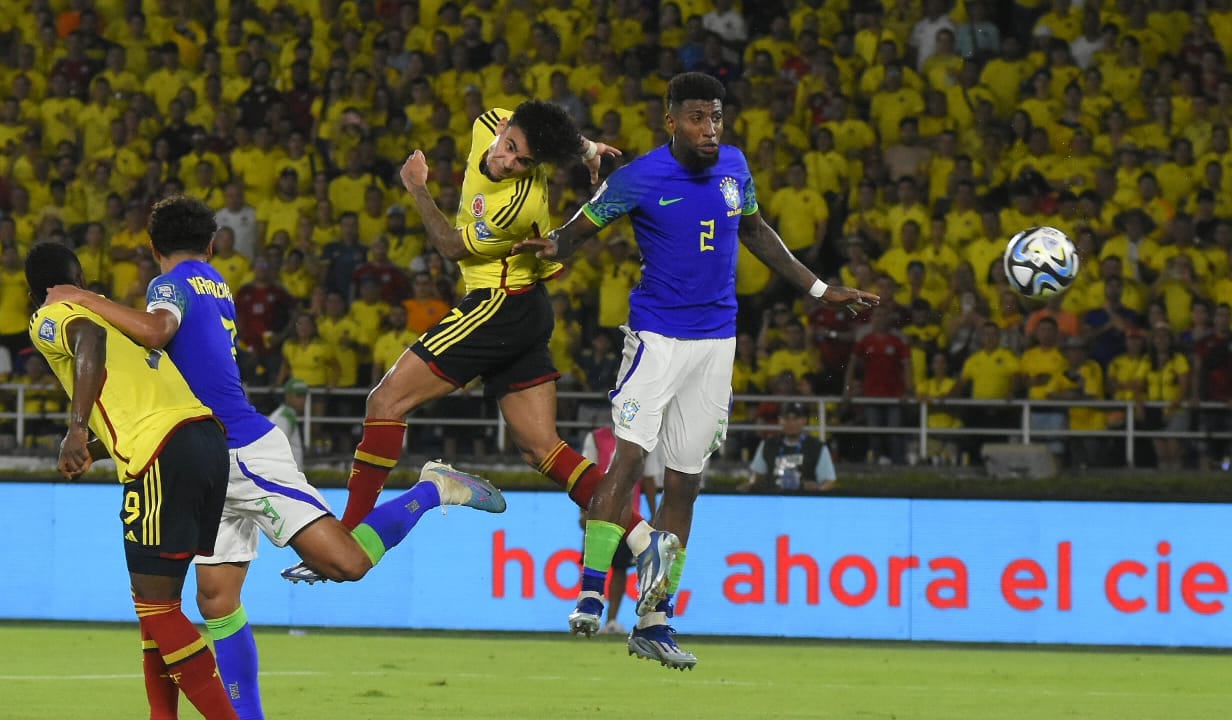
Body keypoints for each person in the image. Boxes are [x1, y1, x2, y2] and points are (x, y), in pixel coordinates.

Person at [47, 196, 507, 720]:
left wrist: (83, 296)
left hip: (242, 451)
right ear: (213, 244)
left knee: (346, 564)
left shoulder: (169, 285)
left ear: (153, 249)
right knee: (216, 601)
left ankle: (433, 488)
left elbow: (157, 331)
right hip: (206, 455)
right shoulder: (216, 285)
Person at [515, 73, 878, 669]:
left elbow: (756, 231)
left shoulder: (735, 166)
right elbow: (580, 230)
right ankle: (591, 587)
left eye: (715, 117)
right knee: (629, 457)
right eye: (696, 118)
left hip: (717, 344)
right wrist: (553, 245)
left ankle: (655, 619)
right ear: (671, 122)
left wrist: (818, 288)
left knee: (686, 481)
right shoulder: (639, 177)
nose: (710, 129)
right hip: (657, 338)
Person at [291, 100, 668, 591]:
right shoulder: (489, 120)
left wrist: (418, 188)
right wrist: (589, 147)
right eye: (510, 149)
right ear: (504, 128)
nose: (508, 162)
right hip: (528, 307)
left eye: (523, 162)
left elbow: (449, 246)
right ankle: (644, 537)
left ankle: (345, 535)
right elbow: (545, 126)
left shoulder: (517, 205)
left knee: (385, 402)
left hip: (500, 304)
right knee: (543, 450)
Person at [25, 241, 238, 719]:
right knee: (156, 605)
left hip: (161, 452)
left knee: (158, 609)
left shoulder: (52, 313)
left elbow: (87, 343)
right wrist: (96, 448)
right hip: (204, 440)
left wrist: (76, 428)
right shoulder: (120, 322)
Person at [580, 424, 662, 635]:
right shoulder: (596, 438)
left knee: (620, 568)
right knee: (596, 564)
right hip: (599, 512)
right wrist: (583, 510)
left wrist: (653, 513)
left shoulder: (645, 437)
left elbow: (649, 478)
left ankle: (612, 620)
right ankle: (590, 614)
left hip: (628, 515)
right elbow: (586, 473)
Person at [739, 402, 837, 492]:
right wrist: (750, 485)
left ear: (804, 421)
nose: (791, 423)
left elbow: (829, 482)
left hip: (804, 501)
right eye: (787, 418)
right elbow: (757, 478)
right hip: (774, 501)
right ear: (780, 420)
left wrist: (817, 489)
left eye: (796, 418)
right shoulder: (768, 445)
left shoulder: (817, 447)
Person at [270, 378, 310, 468]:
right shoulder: (282, 417)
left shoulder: (288, 415)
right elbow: (277, 449)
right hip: (285, 474)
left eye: (304, 396)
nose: (303, 400)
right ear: (288, 396)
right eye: (299, 396)